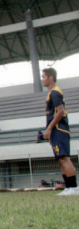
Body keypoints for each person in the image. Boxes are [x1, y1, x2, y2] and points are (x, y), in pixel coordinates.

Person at [41, 68, 77, 196]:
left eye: (44, 77)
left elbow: (60, 112)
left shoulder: (55, 92)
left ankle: (74, 187)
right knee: (60, 159)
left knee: (64, 158)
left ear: (51, 77)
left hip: (59, 129)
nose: (42, 79)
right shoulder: (51, 93)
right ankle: (68, 187)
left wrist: (49, 128)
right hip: (56, 130)